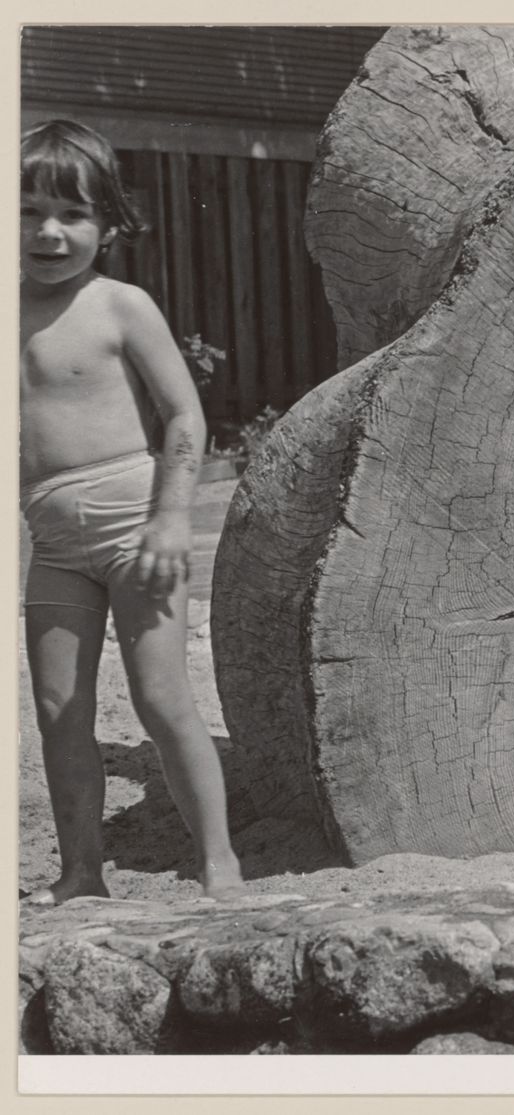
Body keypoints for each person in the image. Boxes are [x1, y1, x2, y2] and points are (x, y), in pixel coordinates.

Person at [20, 119, 244, 904]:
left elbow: (184, 415)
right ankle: (81, 870)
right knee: (58, 709)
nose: (49, 231)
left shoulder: (120, 305)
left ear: (110, 225)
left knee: (159, 695)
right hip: (51, 542)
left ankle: (217, 861)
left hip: (134, 529)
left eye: (73, 214)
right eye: (28, 210)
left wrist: (171, 518)